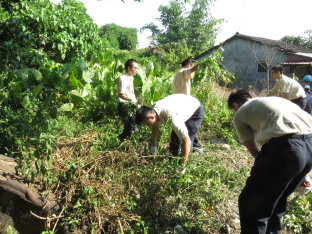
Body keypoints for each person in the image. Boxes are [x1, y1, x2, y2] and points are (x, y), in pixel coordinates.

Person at [228, 89, 312, 234]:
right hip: (309, 146)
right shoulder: (275, 101)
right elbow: (301, 137)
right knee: (277, 198)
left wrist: (266, 165)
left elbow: (253, 149)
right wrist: (304, 173)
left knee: (251, 203)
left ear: (235, 106)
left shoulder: (240, 114)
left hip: (285, 148)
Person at [135, 94, 204, 164]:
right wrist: (154, 145)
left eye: (147, 124)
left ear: (152, 117)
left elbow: (187, 141)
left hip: (194, 108)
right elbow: (155, 126)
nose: (147, 126)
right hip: (180, 107)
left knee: (188, 139)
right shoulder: (153, 110)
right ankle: (174, 162)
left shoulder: (172, 119)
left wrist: (182, 166)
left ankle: (196, 152)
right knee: (174, 144)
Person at [173, 57, 203, 151]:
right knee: (190, 125)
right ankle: (188, 147)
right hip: (184, 103)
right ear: (188, 66)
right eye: (191, 65)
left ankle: (193, 144)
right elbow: (191, 70)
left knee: (184, 125)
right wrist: (200, 65)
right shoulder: (184, 72)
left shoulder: (177, 74)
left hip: (178, 101)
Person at [117, 59, 139, 142]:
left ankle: (120, 142)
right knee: (132, 127)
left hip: (131, 105)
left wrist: (135, 100)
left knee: (128, 129)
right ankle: (130, 145)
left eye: (137, 68)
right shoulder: (122, 78)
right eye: (135, 68)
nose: (137, 70)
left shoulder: (131, 78)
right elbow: (121, 94)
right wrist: (132, 100)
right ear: (129, 68)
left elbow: (129, 92)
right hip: (125, 106)